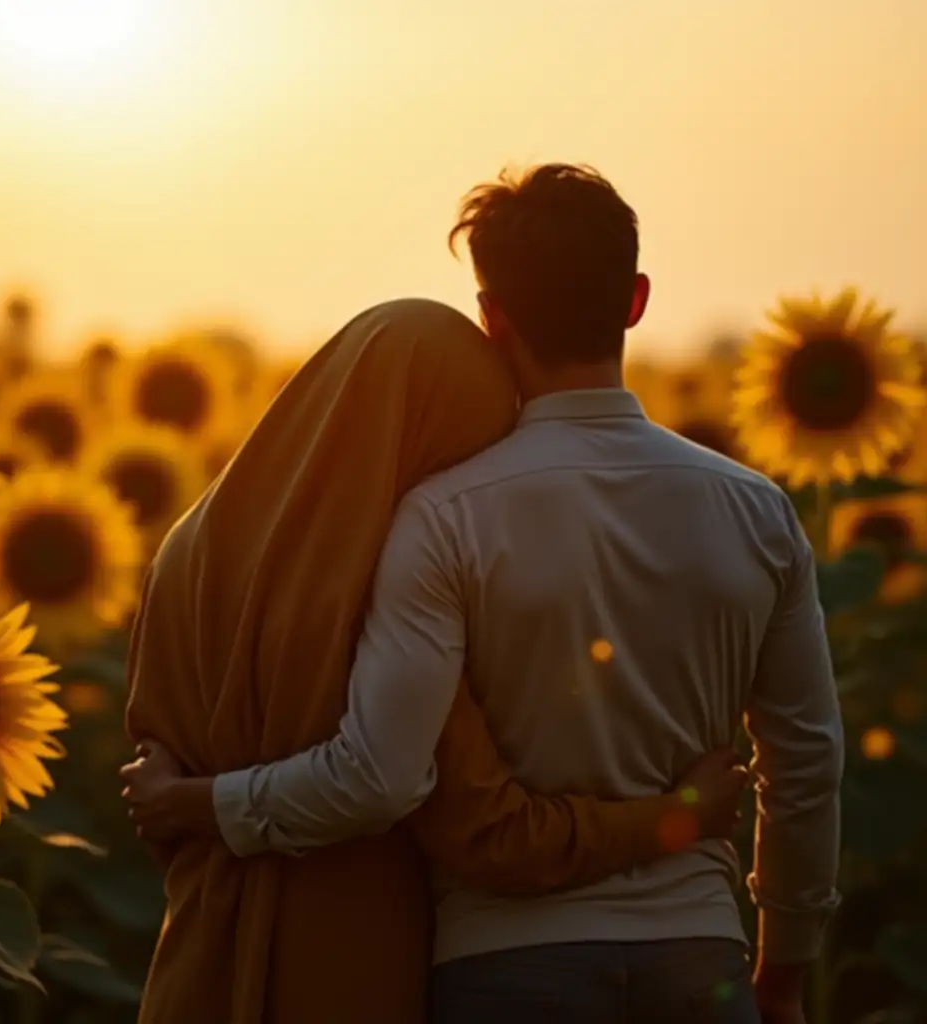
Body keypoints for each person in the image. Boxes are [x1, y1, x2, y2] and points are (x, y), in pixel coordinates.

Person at [124, 164, 845, 1024]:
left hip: (507, 968)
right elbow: (806, 762)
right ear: (637, 300)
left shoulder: (442, 519)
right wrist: (785, 970)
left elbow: (380, 777)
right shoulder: (756, 510)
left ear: (491, 316)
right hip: (699, 955)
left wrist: (201, 803)